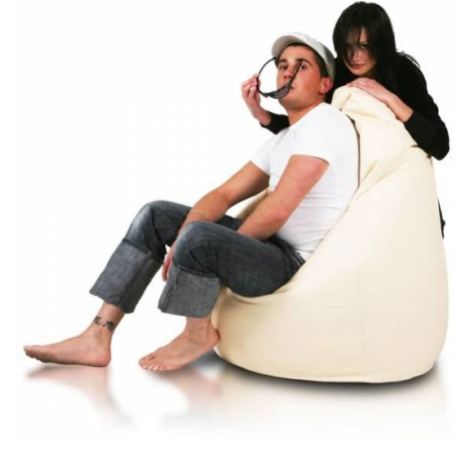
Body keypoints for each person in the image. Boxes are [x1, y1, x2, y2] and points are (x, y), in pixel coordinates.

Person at [24, 33, 358, 372]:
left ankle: (197, 334)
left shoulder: (325, 122)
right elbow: (224, 194)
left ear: (324, 84)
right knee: (155, 215)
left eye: (301, 67)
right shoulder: (283, 139)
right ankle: (97, 335)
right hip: (266, 247)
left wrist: (203, 242)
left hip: (288, 262)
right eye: (282, 66)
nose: (287, 72)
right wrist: (187, 231)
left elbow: (277, 212)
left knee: (200, 236)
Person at [242, 2, 449, 236]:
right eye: (347, 46)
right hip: (358, 200)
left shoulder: (403, 72)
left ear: (381, 44)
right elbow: (310, 128)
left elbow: (440, 144)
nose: (355, 56)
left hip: (403, 189)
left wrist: (388, 98)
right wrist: (262, 114)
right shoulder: (336, 74)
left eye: (364, 46)